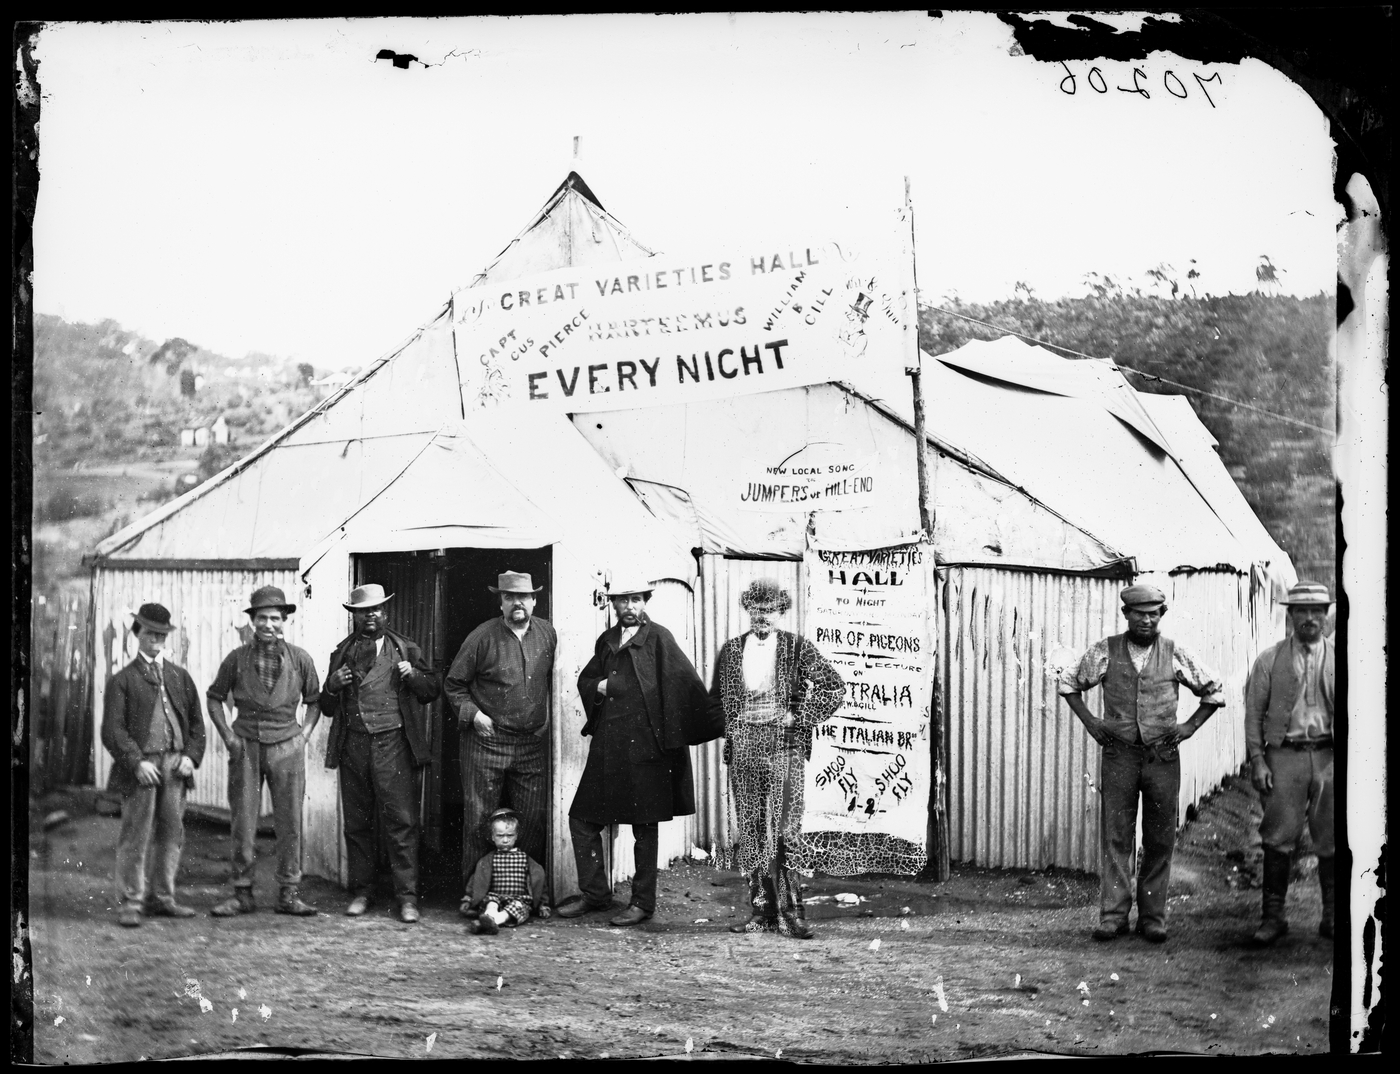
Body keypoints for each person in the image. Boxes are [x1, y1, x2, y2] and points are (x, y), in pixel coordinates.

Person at [1059, 583, 1225, 944]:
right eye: (1139, 614)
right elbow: (1069, 682)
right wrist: (1091, 722)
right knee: (1116, 834)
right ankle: (1114, 915)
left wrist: (1188, 727)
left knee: (1159, 837)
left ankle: (1152, 917)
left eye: (1153, 614)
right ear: (1126, 615)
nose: (1146, 620)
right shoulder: (1106, 650)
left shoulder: (1174, 652)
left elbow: (1214, 690)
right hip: (1119, 756)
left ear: (1161, 615)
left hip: (1162, 758)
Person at [557, 575, 712, 927]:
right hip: (609, 747)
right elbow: (586, 680)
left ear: (645, 602)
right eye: (623, 600)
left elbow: (686, 684)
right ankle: (595, 895)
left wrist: (683, 732)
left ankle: (642, 903)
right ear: (613, 603)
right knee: (582, 820)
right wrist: (601, 685)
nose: (629, 607)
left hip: (647, 750)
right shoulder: (607, 640)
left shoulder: (659, 638)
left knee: (644, 827)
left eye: (636, 600)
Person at [711, 579, 845, 939]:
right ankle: (763, 911)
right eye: (756, 609)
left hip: (785, 747)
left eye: (769, 609)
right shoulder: (731, 651)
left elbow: (834, 686)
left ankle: (793, 913)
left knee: (787, 831)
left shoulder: (798, 648)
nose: (762, 616)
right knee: (752, 832)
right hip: (745, 748)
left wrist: (799, 718)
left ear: (780, 611)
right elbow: (716, 699)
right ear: (748, 610)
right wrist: (733, 729)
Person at [320, 584, 441, 923]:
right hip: (353, 746)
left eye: (376, 610)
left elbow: (432, 690)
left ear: (385, 613)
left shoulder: (404, 648)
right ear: (354, 616)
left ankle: (407, 898)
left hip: (393, 745)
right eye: (363, 611)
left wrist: (413, 675)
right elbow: (327, 707)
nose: (370, 615)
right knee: (358, 823)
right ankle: (362, 892)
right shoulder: (341, 654)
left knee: (401, 821)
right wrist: (332, 685)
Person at [445, 571, 557, 917]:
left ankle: (529, 897)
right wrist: (474, 715)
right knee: (481, 820)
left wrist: (547, 722)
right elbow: (453, 685)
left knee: (533, 820)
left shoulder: (547, 634)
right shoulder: (482, 637)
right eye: (510, 597)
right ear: (501, 601)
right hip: (486, 742)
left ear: (535, 600)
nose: (517, 603)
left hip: (530, 743)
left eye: (524, 597)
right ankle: (473, 897)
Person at [207, 586, 321, 918]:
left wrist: (305, 735)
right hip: (246, 747)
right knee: (243, 822)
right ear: (252, 621)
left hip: (288, 746)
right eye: (261, 618)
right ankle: (242, 893)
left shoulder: (300, 659)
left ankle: (289, 893)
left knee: (290, 822)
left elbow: (314, 702)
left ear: (284, 621)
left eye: (274, 618)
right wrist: (227, 736)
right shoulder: (237, 659)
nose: (268, 624)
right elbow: (215, 697)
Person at [101, 603, 206, 927]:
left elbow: (196, 725)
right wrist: (135, 762)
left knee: (172, 833)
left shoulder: (180, 677)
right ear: (138, 634)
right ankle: (131, 902)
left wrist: (190, 756)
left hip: (175, 766)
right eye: (149, 633)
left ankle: (162, 899)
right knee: (136, 833)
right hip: (143, 768)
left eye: (161, 634)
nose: (155, 640)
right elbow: (112, 730)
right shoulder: (123, 680)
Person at [1245, 580, 1336, 945]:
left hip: (1330, 757)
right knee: (1278, 837)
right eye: (1302, 611)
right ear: (1290, 614)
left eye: (1317, 611)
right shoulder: (1270, 659)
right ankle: (1273, 917)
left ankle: (1331, 916)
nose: (1310, 618)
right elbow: (1253, 715)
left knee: (1331, 838)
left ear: (1327, 615)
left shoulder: (1345, 656)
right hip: (1284, 756)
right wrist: (1257, 761)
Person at [463, 808, 551, 935]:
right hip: (496, 896)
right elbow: (476, 880)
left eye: (509, 835)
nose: (505, 840)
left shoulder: (525, 859)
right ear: (493, 837)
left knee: (517, 907)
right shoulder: (488, 860)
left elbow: (539, 881)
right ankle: (488, 918)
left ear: (516, 836)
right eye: (500, 836)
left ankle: (492, 921)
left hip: (519, 899)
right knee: (491, 903)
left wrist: (543, 904)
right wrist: (468, 898)